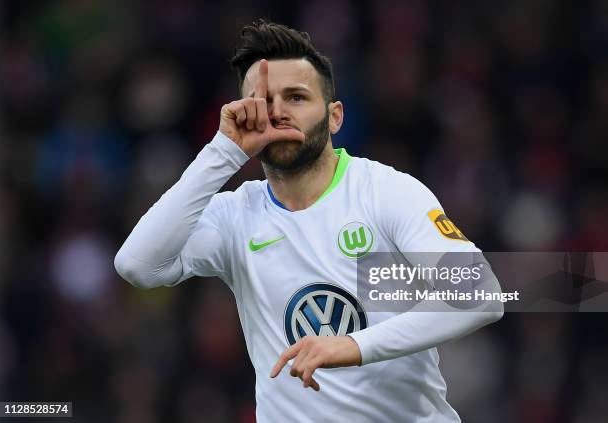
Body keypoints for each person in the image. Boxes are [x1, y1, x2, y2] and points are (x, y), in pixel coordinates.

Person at [115, 19, 504, 422]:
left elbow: (480, 295)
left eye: (296, 97)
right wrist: (223, 151)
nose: (278, 112)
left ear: (334, 116)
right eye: (262, 101)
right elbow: (137, 265)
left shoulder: (384, 192)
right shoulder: (235, 215)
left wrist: (354, 345)